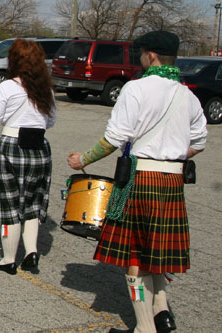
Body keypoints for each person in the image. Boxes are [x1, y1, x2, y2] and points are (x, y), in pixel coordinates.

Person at [68, 31, 206, 333]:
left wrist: (83, 160)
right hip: (172, 181)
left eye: (141, 53)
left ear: (151, 56)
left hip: (140, 179)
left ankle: (145, 328)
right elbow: (199, 141)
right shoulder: (187, 95)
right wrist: (169, 154)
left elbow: (114, 139)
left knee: (135, 256)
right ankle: (161, 312)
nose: (139, 58)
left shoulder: (136, 89)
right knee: (155, 252)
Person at [0, 39, 56, 275]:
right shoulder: (45, 88)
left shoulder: (7, 86)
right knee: (32, 203)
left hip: (11, 146)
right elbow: (51, 121)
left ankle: (8, 259)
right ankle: (31, 252)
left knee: (9, 203)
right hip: (39, 148)